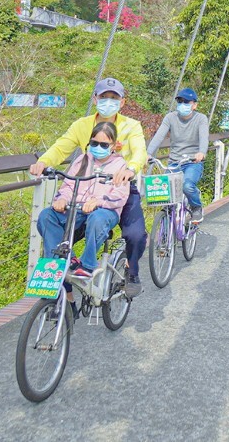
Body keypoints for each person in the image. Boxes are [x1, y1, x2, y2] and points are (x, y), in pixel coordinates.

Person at [29, 77, 148, 297]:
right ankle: (64, 291)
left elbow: (140, 151)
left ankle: (131, 271)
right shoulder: (81, 127)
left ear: (122, 102)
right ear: (95, 99)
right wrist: (43, 163)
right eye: (103, 97)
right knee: (56, 232)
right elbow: (61, 148)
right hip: (82, 190)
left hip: (118, 186)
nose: (108, 101)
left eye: (114, 98)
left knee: (136, 235)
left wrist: (130, 169)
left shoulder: (131, 126)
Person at [36, 122, 131, 315]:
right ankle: (60, 263)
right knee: (46, 216)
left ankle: (87, 265)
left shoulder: (120, 165)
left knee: (97, 219)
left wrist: (99, 201)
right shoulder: (82, 160)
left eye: (104, 145)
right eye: (94, 143)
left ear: (113, 145)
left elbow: (120, 195)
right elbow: (68, 185)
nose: (98, 148)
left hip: (105, 210)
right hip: (76, 208)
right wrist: (62, 199)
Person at [147, 87, 209, 223]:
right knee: (166, 196)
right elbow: (159, 136)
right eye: (180, 101)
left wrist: (201, 152)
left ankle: (196, 207)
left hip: (192, 162)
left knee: (187, 186)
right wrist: (148, 153)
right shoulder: (170, 118)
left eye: (186, 102)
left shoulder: (201, 119)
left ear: (194, 105)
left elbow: (204, 138)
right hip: (174, 162)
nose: (182, 104)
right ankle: (165, 229)